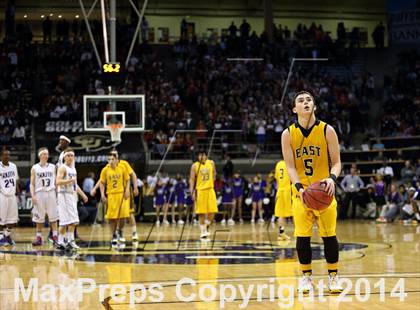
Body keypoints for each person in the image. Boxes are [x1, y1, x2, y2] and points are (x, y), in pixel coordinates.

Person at [281, 91, 342, 294]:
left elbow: (337, 163)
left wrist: (332, 179)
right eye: (301, 100)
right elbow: (290, 167)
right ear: (294, 109)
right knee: (302, 237)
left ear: (314, 106)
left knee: (329, 235)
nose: (305, 102)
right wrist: (298, 187)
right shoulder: (288, 134)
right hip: (301, 192)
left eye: (309, 100)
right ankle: (306, 277)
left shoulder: (327, 130)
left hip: (324, 191)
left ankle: (333, 276)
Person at [91, 150, 139, 242]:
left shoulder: (124, 164)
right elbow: (102, 181)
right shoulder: (107, 168)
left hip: (125, 192)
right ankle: (115, 233)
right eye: (110, 157)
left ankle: (133, 232)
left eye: (114, 155)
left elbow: (132, 175)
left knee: (129, 213)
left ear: (117, 156)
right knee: (113, 216)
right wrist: (95, 189)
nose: (112, 158)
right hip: (112, 194)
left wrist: (135, 187)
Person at [55, 148, 88, 250]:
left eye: (71, 155)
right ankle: (61, 242)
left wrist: (83, 195)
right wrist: (69, 181)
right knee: (65, 221)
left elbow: (75, 185)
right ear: (64, 157)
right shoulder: (62, 168)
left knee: (73, 220)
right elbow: (58, 182)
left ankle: (69, 241)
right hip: (63, 195)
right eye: (68, 155)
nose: (70, 157)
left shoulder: (73, 169)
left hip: (71, 195)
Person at [99, 152, 130, 247]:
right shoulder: (105, 170)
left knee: (123, 216)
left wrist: (127, 190)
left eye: (112, 159)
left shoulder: (122, 168)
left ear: (116, 160)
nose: (111, 161)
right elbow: (102, 183)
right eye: (109, 159)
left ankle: (120, 231)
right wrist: (102, 195)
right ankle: (114, 236)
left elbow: (128, 179)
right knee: (112, 218)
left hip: (121, 194)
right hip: (111, 195)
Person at [30, 148, 59, 246]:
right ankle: (38, 238)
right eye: (43, 154)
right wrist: (33, 195)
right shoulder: (35, 167)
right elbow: (32, 184)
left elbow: (56, 182)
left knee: (53, 217)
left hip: (51, 192)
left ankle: (55, 237)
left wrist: (57, 193)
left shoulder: (53, 167)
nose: (45, 156)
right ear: (39, 155)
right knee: (39, 218)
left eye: (47, 154)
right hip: (39, 194)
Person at [189, 148, 217, 240]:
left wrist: (212, 180)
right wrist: (192, 191)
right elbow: (192, 179)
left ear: (206, 155)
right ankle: (202, 232)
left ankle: (206, 225)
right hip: (200, 191)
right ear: (197, 156)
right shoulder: (194, 166)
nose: (202, 157)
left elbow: (214, 173)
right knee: (201, 213)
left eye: (203, 155)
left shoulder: (211, 163)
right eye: (200, 155)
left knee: (212, 212)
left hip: (210, 190)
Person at [0, 149, 19, 246]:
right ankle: (1, 238)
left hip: (12, 196)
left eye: (8, 155)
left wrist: (18, 194)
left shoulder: (13, 166)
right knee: (1, 219)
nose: (7, 157)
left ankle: (6, 236)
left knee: (12, 220)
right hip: (2, 195)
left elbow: (16, 181)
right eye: (5, 155)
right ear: (1, 156)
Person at [274, 159, 292, 241]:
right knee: (295, 213)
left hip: (279, 191)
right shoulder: (290, 163)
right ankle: (299, 234)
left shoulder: (278, 164)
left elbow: (277, 180)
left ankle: (281, 234)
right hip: (288, 190)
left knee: (281, 215)